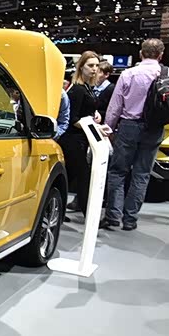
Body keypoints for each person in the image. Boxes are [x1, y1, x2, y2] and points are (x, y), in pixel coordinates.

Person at [103, 38, 167, 231]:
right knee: (142, 174)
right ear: (161, 55)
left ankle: (113, 216)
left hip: (129, 126)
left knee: (118, 171)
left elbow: (115, 106)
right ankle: (130, 219)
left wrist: (108, 128)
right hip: (155, 128)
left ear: (141, 53)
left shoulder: (129, 74)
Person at [59, 51, 101, 215]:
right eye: (90, 65)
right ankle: (88, 213)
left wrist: (95, 116)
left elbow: (85, 111)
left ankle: (58, 210)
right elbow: (73, 119)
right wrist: (90, 125)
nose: (94, 69)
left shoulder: (87, 88)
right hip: (72, 140)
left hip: (81, 139)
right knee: (83, 176)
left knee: (70, 176)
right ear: (81, 67)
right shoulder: (77, 90)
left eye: (96, 65)